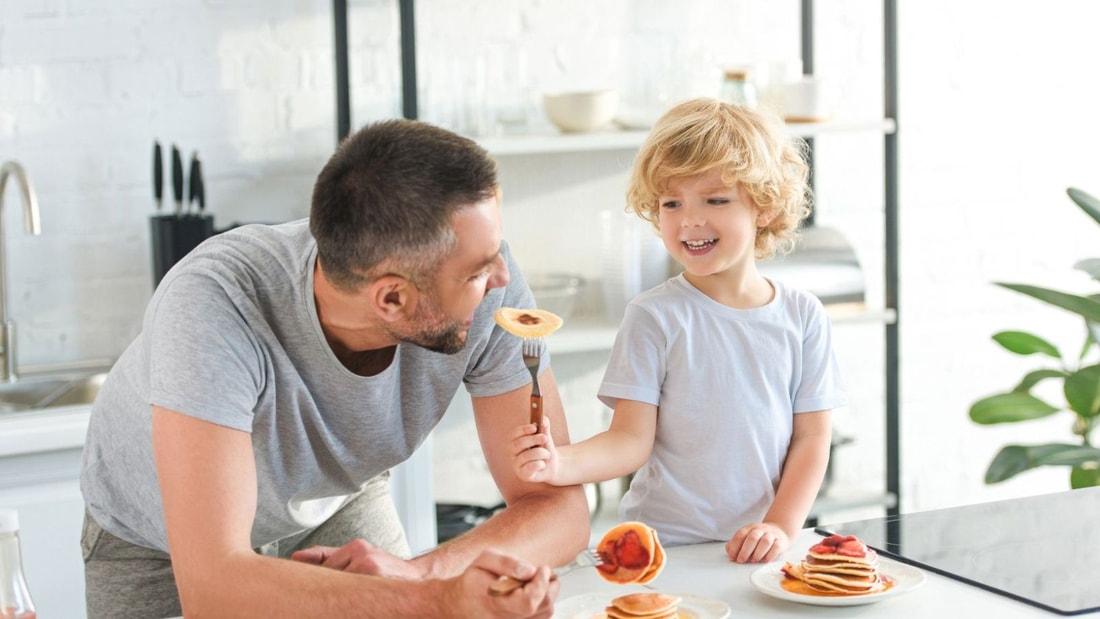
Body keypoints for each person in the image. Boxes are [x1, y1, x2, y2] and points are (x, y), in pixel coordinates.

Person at [79, 118, 591, 619]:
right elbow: (214, 591)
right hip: (157, 542)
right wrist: (437, 601)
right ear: (391, 297)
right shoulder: (214, 303)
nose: (502, 277)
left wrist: (420, 575)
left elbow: (558, 508)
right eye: (480, 272)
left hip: (335, 501)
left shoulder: (484, 282)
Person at [510, 98, 846, 564]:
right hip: (664, 551)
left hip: (763, 548)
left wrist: (780, 527)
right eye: (672, 202)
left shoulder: (803, 316)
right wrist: (559, 463)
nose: (690, 219)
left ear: (764, 206)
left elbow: (812, 439)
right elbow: (630, 440)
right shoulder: (654, 317)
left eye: (715, 199)